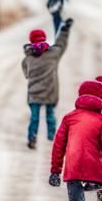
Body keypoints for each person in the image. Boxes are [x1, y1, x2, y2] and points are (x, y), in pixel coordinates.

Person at [49, 76, 102, 201]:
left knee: (74, 183)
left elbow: (58, 145)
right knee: (101, 183)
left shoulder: (69, 118)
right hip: (93, 160)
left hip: (73, 161)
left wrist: (55, 171)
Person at [21, 19, 73, 149]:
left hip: (34, 93)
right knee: (50, 115)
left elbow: (26, 74)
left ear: (31, 41)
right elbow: (61, 44)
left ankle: (32, 138)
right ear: (44, 39)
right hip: (50, 91)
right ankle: (52, 137)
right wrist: (64, 30)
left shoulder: (27, 59)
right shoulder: (53, 54)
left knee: (34, 118)